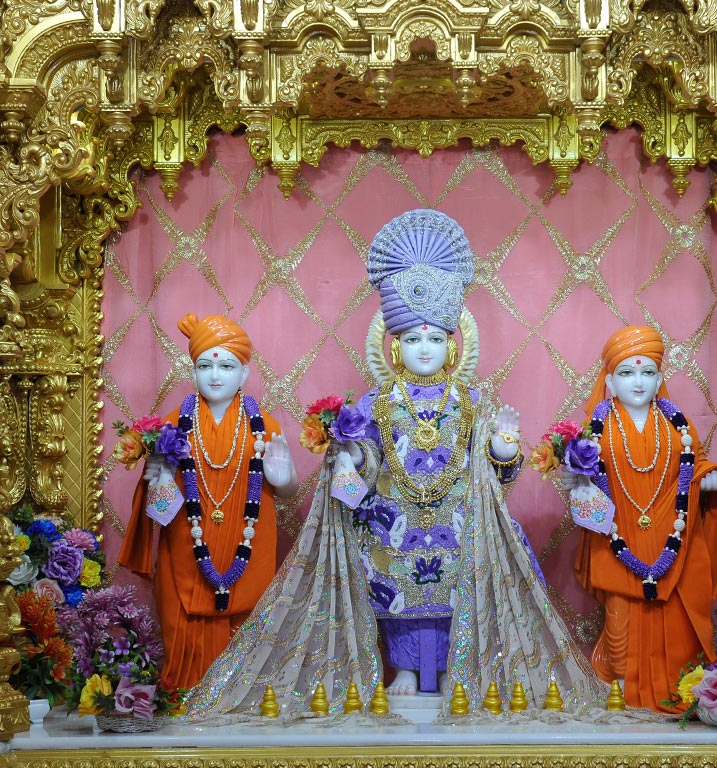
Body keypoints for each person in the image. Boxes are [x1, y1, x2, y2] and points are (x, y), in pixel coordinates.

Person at [183, 210, 604, 720]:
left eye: (434, 339)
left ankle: (450, 669)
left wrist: (502, 447)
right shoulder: (376, 402)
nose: (424, 349)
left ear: (452, 345)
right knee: (395, 588)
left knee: (455, 588)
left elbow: (498, 477)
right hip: (393, 514)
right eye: (413, 339)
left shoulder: (473, 402)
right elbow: (366, 455)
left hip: (457, 514)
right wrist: (351, 452)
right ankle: (402, 667)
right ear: (395, 346)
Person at [118, 313, 298, 689]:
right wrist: (156, 482)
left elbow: (287, 490)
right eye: (205, 366)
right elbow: (159, 512)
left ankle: (236, 697)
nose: (215, 375)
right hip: (185, 552)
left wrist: (284, 481)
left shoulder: (265, 428)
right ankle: (183, 692)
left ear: (244, 373)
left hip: (247, 552)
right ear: (193, 371)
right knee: (181, 639)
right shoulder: (170, 428)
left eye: (226, 366)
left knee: (247, 632)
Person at [571, 325, 717, 712]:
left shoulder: (679, 427)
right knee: (620, 627)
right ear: (609, 381)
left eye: (647, 372)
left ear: (660, 378)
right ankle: (621, 692)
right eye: (627, 373)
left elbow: (694, 464)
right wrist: (573, 477)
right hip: (618, 541)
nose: (638, 382)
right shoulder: (596, 429)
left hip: (672, 541)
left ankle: (681, 688)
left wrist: (709, 478)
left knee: (679, 621)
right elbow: (582, 476)